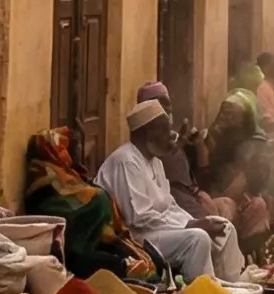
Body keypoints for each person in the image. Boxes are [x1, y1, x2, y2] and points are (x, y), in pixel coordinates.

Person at [95, 100, 226, 281]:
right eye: (164, 130)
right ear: (148, 132)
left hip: (155, 230)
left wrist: (196, 221)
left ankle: (233, 289)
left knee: (225, 228)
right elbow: (139, 218)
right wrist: (190, 226)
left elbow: (169, 206)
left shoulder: (155, 161)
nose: (170, 135)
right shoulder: (125, 160)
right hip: (133, 238)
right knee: (197, 238)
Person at [23, 126, 154, 280]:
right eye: (74, 151)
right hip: (71, 244)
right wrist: (97, 199)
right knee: (114, 262)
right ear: (59, 151)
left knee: (135, 256)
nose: (79, 156)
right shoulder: (44, 174)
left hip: (91, 237)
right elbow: (62, 205)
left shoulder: (66, 172)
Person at [200, 91, 274, 257]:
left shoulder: (255, 139)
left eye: (232, 114)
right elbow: (205, 174)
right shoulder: (212, 137)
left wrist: (247, 188)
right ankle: (227, 260)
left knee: (258, 205)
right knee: (225, 206)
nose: (226, 118)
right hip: (217, 198)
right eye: (224, 113)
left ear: (244, 117)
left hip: (246, 196)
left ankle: (249, 255)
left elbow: (256, 176)